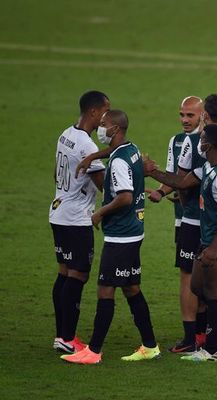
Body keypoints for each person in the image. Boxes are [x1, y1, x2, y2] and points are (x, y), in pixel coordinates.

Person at [144, 124, 217, 361]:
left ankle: (212, 350)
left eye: (202, 139)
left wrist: (214, 248)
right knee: (197, 287)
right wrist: (152, 172)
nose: (198, 141)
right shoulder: (208, 167)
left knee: (213, 293)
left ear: (209, 145)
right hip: (209, 240)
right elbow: (181, 183)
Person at [62, 110, 160, 364]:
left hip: (121, 236)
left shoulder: (117, 162)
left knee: (106, 290)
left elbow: (125, 197)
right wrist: (94, 155)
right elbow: (115, 153)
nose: (100, 129)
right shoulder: (131, 148)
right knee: (131, 288)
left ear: (115, 129)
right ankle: (150, 345)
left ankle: (93, 351)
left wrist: (99, 213)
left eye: (104, 125)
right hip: (133, 231)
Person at [50, 90, 110, 354]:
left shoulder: (66, 134)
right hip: (76, 219)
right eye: (105, 111)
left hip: (58, 211)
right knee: (78, 275)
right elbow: (105, 185)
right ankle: (67, 337)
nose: (106, 116)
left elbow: (56, 173)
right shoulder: (88, 146)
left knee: (64, 273)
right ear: (94, 112)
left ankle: (61, 334)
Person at [149, 96, 205, 354]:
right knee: (192, 275)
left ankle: (197, 334)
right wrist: (161, 192)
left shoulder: (209, 140)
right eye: (181, 114)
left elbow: (183, 181)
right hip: (182, 219)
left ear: (203, 115)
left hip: (201, 219)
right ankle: (200, 333)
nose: (184, 120)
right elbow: (174, 176)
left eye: (190, 116)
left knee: (198, 277)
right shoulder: (175, 141)